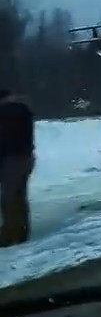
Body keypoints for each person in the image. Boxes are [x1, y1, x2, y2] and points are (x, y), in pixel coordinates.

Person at [0, 90, 36, 247]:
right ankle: (22, 232)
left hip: (12, 159)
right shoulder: (23, 109)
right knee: (20, 196)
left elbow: (4, 139)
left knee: (9, 198)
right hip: (26, 156)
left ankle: (9, 233)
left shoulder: (5, 112)